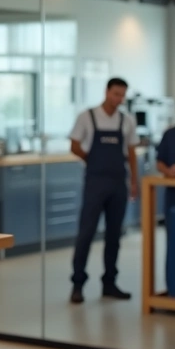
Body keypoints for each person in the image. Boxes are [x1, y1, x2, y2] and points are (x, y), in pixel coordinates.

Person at [68, 77, 140, 304]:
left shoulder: (126, 120)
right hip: (95, 182)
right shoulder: (87, 116)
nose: (119, 99)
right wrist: (91, 160)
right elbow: (74, 145)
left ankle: (110, 282)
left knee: (114, 235)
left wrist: (134, 181)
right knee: (86, 233)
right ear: (107, 92)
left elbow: (131, 152)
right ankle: (78, 283)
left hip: (118, 183)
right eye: (116, 94)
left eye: (122, 95)